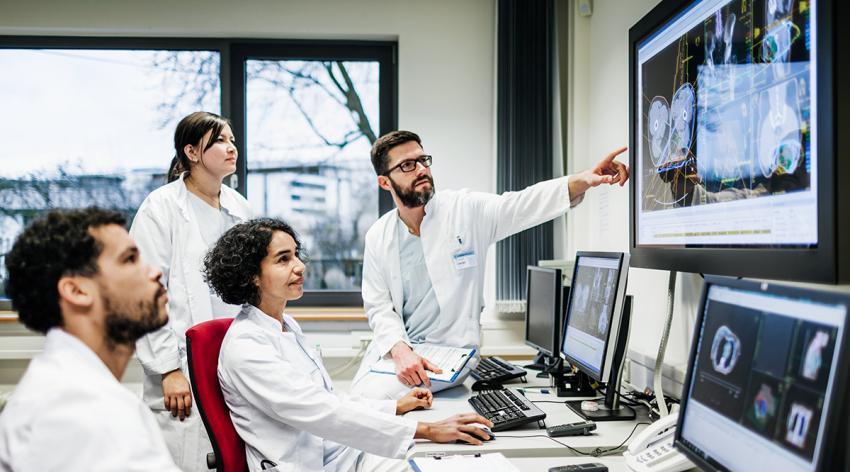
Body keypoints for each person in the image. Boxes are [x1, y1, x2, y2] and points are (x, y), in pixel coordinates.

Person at [352, 130, 630, 398]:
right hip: (400, 351)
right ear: (385, 182)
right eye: (407, 165)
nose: (421, 169)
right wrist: (400, 349)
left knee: (372, 402)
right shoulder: (379, 236)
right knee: (355, 398)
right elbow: (378, 305)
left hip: (450, 353)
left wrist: (584, 179)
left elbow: (522, 205)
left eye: (423, 160)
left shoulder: (464, 210)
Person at [204, 218, 493, 472]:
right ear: (251, 276)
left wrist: (394, 406)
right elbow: (320, 412)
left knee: (446, 458)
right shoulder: (246, 348)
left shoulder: (286, 325)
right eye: (283, 259)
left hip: (336, 453)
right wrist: (427, 430)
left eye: (296, 255)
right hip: (308, 465)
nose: (300, 266)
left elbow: (328, 399)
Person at [0, 208, 180, 471]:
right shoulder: (77, 411)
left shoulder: (77, 390)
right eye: (130, 259)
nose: (154, 272)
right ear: (77, 291)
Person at [130, 111, 252, 470]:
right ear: (192, 152)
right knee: (185, 457)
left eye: (232, 140)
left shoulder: (239, 207)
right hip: (180, 364)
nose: (231, 148)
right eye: (220, 141)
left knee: (232, 454)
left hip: (233, 359)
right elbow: (144, 293)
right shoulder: (161, 208)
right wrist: (168, 370)